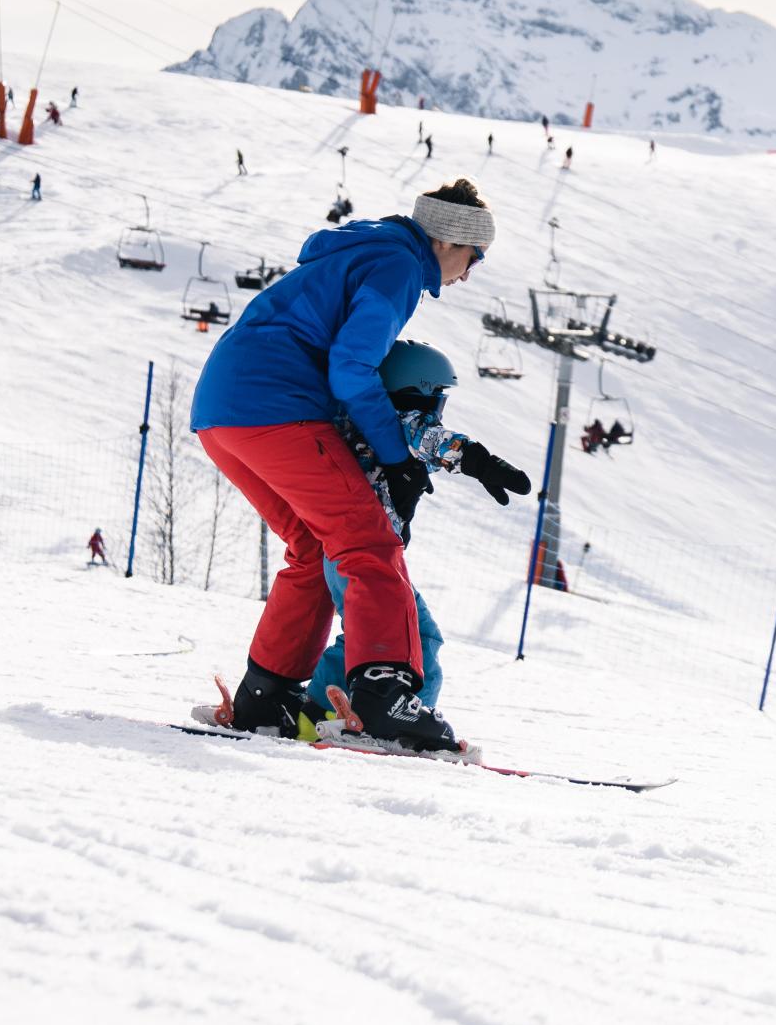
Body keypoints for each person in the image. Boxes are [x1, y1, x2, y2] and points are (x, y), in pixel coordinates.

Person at [191, 178, 521, 751]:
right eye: (476, 257)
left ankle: (264, 698)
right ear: (450, 241)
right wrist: (395, 459)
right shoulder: (397, 266)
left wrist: (450, 456)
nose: (471, 271)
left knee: (314, 546)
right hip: (276, 405)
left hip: (222, 410)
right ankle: (383, 700)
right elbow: (351, 369)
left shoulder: (364, 250)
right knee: (367, 542)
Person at [301, 341, 529, 719]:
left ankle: (319, 713)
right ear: (416, 391)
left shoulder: (360, 424)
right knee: (419, 637)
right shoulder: (400, 421)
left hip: (343, 554)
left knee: (369, 633)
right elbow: (428, 438)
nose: (439, 408)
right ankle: (406, 718)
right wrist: (479, 461)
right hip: (362, 556)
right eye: (438, 396)